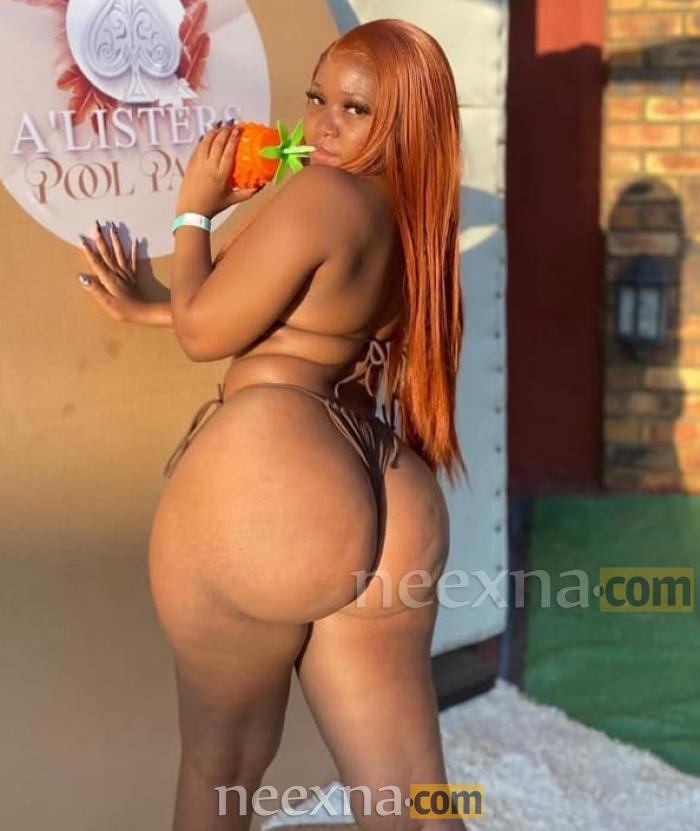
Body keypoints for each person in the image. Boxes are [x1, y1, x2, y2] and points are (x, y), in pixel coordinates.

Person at [77, 18, 469, 831]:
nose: (323, 124)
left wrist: (194, 214)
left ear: (403, 118)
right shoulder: (414, 213)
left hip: (276, 477)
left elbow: (205, 334)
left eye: (356, 109)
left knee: (219, 769)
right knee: (409, 791)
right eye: (317, 98)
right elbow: (300, 319)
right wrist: (160, 305)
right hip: (387, 485)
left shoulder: (322, 196)